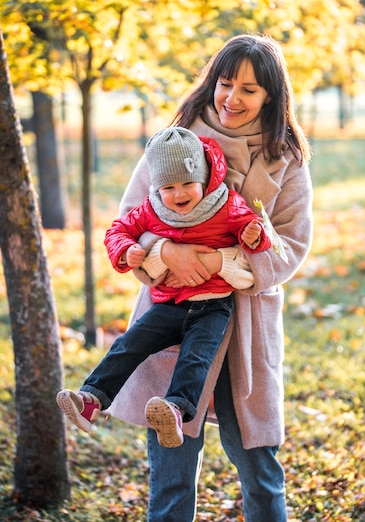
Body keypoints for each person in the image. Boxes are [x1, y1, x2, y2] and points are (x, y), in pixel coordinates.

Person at [102, 33, 312, 522]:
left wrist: (223, 265)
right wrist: (164, 251)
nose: (232, 99)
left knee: (258, 465)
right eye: (225, 82)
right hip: (172, 320)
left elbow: (292, 245)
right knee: (171, 468)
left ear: (271, 96)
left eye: (250, 89)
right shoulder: (175, 142)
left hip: (245, 330)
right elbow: (131, 216)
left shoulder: (286, 159)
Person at [57, 127, 271, 448]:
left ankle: (174, 409)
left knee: (196, 358)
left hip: (213, 304)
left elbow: (250, 227)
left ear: (204, 179)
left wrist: (253, 235)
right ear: (157, 187)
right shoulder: (152, 208)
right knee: (129, 344)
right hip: (169, 302)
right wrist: (127, 251)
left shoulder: (225, 204)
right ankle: (91, 400)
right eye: (168, 186)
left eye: (188, 183)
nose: (179, 193)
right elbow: (118, 229)